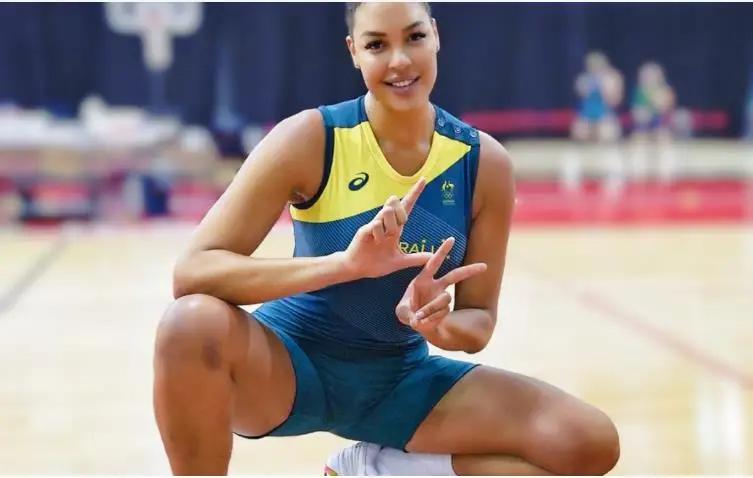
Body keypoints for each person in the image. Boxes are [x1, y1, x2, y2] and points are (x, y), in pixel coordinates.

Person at [153, 2, 620, 475]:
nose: (399, 60)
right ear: (354, 51)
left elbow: (478, 320)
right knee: (188, 324)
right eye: (377, 44)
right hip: (288, 369)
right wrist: (345, 265)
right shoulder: (311, 138)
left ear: (436, 36)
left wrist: (438, 326)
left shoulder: (484, 164)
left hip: (399, 381)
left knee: (587, 442)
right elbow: (194, 270)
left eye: (414, 37)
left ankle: (375, 468)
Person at [571, 51, 624, 143]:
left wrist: (607, 87)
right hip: (587, 115)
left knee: (606, 135)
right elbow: (580, 94)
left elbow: (615, 101)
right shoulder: (583, 79)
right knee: (581, 134)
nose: (595, 68)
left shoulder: (611, 79)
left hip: (605, 114)